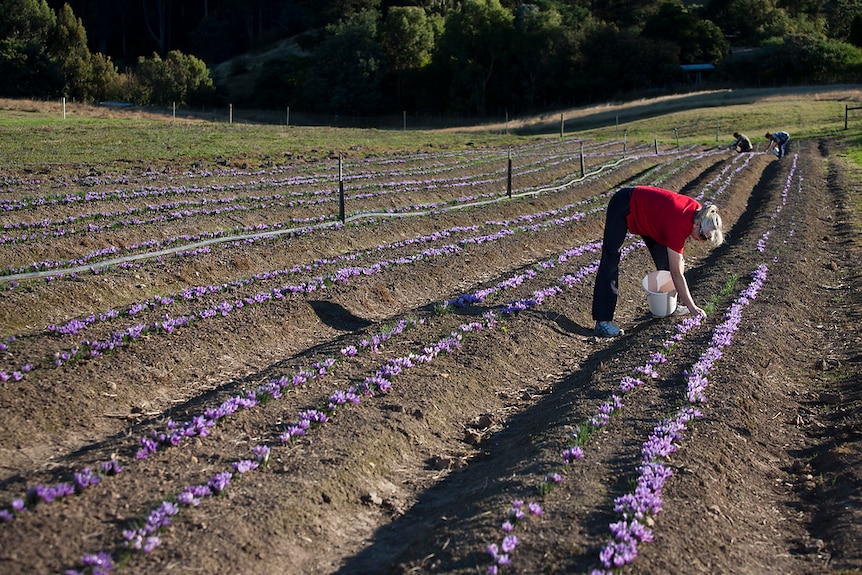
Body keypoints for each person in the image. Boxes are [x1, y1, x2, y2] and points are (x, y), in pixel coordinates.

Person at [592, 185, 725, 337]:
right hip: (625, 204)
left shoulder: (700, 213)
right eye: (703, 236)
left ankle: (669, 307)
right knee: (611, 259)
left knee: (668, 265)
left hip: (653, 220)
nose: (702, 241)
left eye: (706, 240)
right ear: (696, 224)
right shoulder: (679, 223)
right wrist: (693, 308)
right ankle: (602, 322)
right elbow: (677, 274)